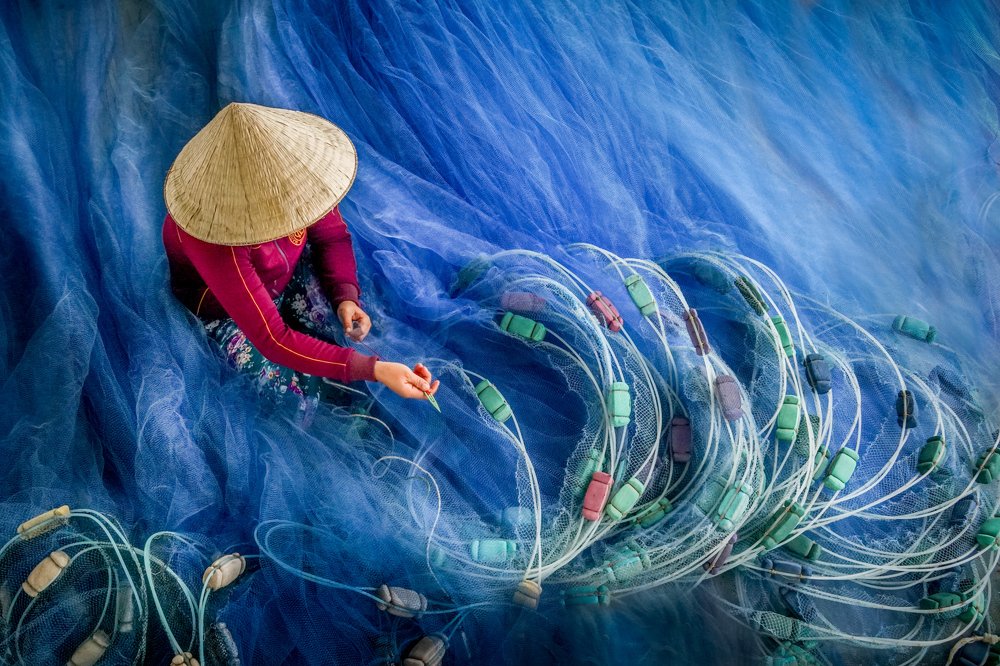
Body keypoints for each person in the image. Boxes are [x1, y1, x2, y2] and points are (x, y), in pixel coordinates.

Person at [162, 102, 439, 404]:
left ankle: (362, 379)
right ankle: (346, 410)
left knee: (355, 326)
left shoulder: (300, 184)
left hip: (289, 273)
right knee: (285, 392)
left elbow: (332, 238)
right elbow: (272, 339)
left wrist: (345, 295)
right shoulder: (211, 235)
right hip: (228, 310)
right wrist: (375, 371)